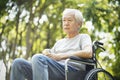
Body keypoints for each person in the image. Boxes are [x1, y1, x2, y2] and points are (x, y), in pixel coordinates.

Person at [10, 8, 92, 80]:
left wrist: (61, 56)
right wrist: (46, 52)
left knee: (38, 58)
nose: (66, 23)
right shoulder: (60, 42)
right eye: (64, 20)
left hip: (71, 70)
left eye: (69, 20)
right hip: (54, 69)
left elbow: (88, 52)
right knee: (18, 63)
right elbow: (50, 55)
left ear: (79, 24)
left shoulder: (83, 37)